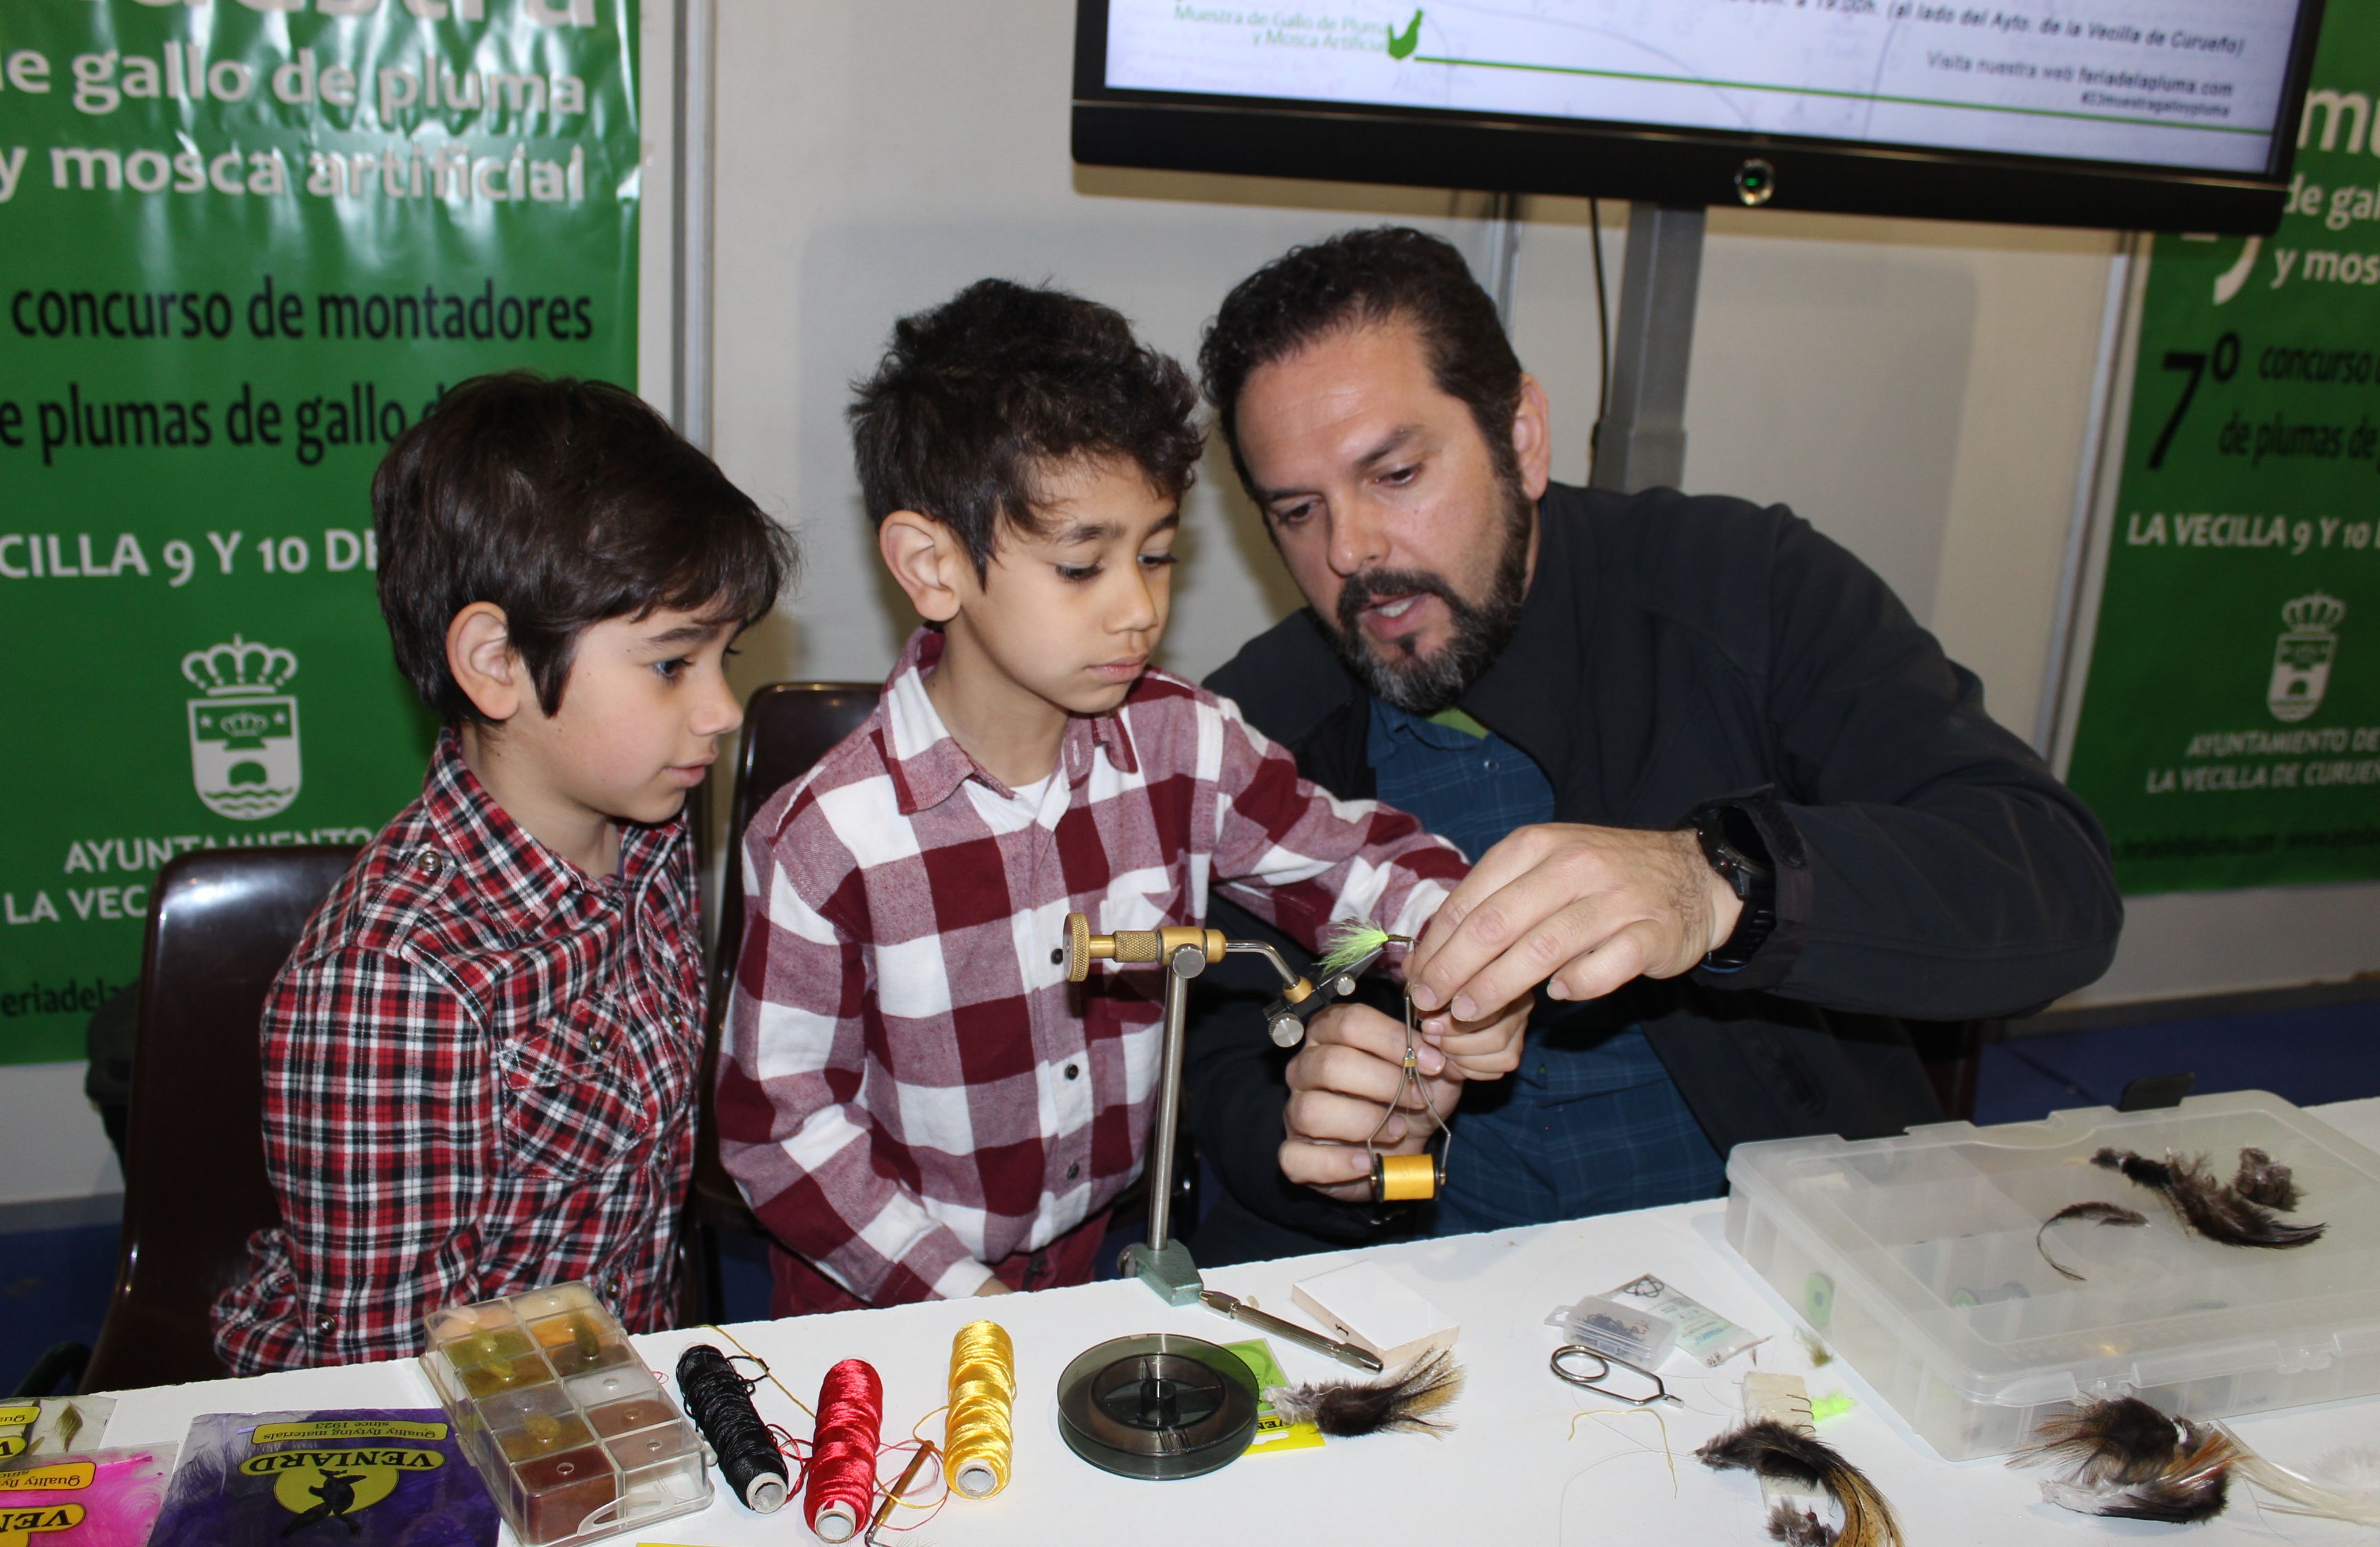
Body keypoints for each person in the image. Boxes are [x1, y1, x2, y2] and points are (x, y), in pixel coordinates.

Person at [1183, 227, 2124, 1257]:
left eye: (1397, 475)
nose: (1351, 551)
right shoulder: (1247, 733)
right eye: (1299, 511)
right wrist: (1305, 1119)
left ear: (1524, 439)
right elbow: (1217, 1053)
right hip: (1437, 1317)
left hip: (1785, 1279)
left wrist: (1722, 882)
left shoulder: (1745, 588)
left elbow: (2052, 883)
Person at [714, 279, 1523, 1314]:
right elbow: (781, 1131)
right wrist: (969, 1303)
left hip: (1102, 1263)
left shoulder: (1184, 745)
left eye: (1155, 555)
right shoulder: (826, 839)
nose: (1138, 610)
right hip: (889, 1303)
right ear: (932, 566)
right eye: (1081, 566)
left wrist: (1480, 951)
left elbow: (1353, 868)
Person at [213, 373, 795, 1371]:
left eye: (724, 658)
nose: (723, 711)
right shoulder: (391, 983)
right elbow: (396, 1375)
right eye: (671, 664)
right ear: (494, 663)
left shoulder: (646, 823)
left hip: (604, 1378)